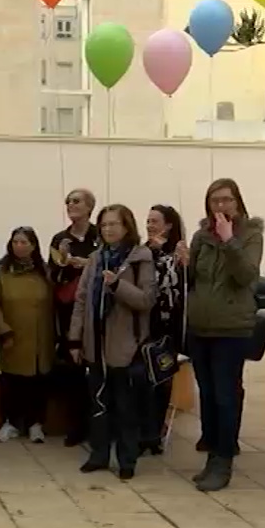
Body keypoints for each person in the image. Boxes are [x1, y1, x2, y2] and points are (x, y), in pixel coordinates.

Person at [187, 178, 264, 492]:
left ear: (237, 203)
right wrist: (184, 261)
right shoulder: (200, 237)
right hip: (200, 326)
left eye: (226, 200)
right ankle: (212, 452)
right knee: (207, 394)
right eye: (214, 201)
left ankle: (223, 458)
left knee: (225, 394)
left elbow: (246, 274)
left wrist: (229, 240)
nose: (220, 206)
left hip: (231, 327)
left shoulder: (251, 235)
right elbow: (193, 278)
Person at [68, 204, 155, 481]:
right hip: (96, 343)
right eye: (103, 225)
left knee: (125, 407)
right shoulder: (96, 258)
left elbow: (146, 300)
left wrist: (117, 285)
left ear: (126, 226)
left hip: (126, 346)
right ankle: (99, 454)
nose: (107, 230)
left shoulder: (141, 257)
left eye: (113, 224)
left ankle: (127, 459)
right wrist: (75, 338)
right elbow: (81, 299)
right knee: (98, 402)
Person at [0, 227, 56, 444]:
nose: (19, 246)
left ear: (34, 246)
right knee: (12, 382)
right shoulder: (1, 273)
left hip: (40, 338)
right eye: (15, 242)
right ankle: (9, 423)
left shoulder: (44, 273)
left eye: (24, 242)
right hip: (13, 336)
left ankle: (36, 424)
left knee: (38, 383)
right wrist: (3, 330)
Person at [48, 188, 100, 447]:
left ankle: (99, 425)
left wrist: (88, 265)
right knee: (73, 370)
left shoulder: (99, 236)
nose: (71, 205)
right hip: (70, 312)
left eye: (76, 201)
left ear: (90, 206)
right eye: (68, 201)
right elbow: (53, 279)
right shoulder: (60, 239)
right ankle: (76, 426)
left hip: (98, 310)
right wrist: (63, 263)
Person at [138, 205, 189, 456]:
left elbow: (179, 286)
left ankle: (155, 432)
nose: (149, 225)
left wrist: (180, 262)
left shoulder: (178, 252)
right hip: (143, 324)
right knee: (142, 379)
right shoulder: (143, 251)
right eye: (147, 221)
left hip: (168, 325)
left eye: (154, 221)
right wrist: (149, 252)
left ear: (168, 225)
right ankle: (143, 430)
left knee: (161, 378)